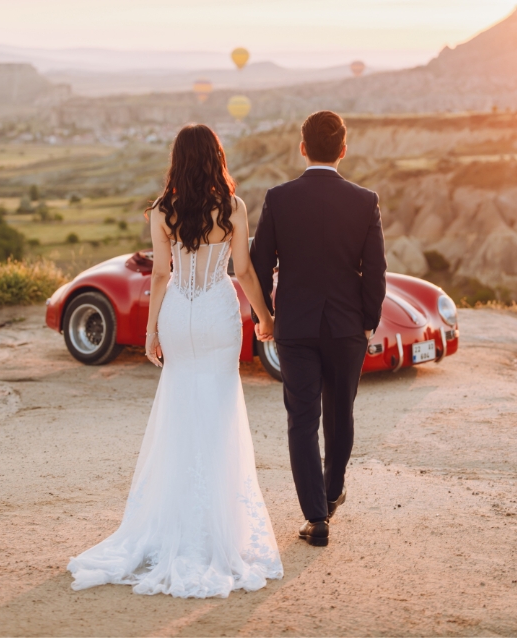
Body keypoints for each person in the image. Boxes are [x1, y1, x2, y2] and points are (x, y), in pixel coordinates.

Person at [67, 124, 284, 599]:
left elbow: (161, 275)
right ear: (216, 158)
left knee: (180, 410)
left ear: (177, 161)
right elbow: (244, 270)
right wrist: (266, 319)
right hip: (218, 312)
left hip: (180, 314)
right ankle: (218, 529)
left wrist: (150, 334)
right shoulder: (233, 208)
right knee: (220, 411)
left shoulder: (162, 211)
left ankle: (173, 524)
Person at [251, 111, 386, 547]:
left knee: (302, 420)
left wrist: (267, 316)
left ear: (302, 147)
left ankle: (316, 517)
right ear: (343, 150)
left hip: (296, 325)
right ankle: (329, 497)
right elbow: (377, 271)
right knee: (340, 413)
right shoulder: (365, 200)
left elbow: (258, 263)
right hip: (347, 327)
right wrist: (367, 323)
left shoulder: (278, 197)